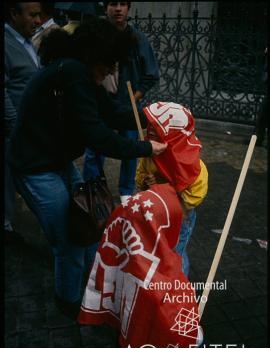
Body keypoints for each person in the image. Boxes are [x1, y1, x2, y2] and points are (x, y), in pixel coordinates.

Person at [7, 18, 167, 319]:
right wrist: (145, 147)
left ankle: (92, 286)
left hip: (56, 161)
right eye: (109, 64)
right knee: (68, 239)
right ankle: (68, 302)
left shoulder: (79, 73)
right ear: (94, 56)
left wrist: (151, 119)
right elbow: (97, 135)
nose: (111, 71)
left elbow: (112, 113)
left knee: (89, 222)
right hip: (34, 167)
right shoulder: (73, 73)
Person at [83, 2, 159, 204]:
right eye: (113, 4)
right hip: (100, 101)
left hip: (127, 104)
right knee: (96, 148)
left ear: (128, 8)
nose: (118, 9)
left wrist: (134, 97)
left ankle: (126, 190)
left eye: (122, 4)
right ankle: (93, 187)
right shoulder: (96, 34)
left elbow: (151, 74)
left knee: (130, 148)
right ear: (105, 7)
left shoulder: (138, 39)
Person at [135, 102, 208, 277]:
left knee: (175, 254)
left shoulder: (194, 165)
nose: (150, 132)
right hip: (155, 215)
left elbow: (193, 199)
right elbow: (140, 180)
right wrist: (146, 182)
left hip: (179, 219)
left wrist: (165, 185)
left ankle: (177, 292)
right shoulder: (151, 156)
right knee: (155, 252)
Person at [4, 2, 41, 245]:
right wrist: (16, 125)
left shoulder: (27, 42)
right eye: (33, 15)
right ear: (14, 14)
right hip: (13, 130)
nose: (38, 20)